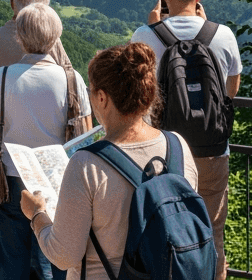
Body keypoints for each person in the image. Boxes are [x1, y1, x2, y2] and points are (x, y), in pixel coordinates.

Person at [20, 42, 199, 279]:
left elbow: (64, 255)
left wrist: (37, 214)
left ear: (102, 98)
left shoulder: (87, 164)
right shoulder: (177, 145)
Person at [128, 0, 239, 280]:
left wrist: (152, 28)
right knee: (213, 232)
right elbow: (230, 91)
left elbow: (136, 92)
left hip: (162, 151)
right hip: (212, 149)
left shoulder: (145, 36)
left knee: (164, 230)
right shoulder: (223, 35)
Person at [0, 3, 92, 280]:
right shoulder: (73, 79)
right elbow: (86, 134)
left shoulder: (1, 77)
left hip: (11, 179)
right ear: (56, 36)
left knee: (12, 260)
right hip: (60, 180)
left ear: (20, 36)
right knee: (58, 256)